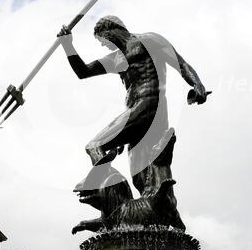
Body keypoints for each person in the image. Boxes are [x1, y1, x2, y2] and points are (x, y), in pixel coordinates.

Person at [57, 16, 208, 175]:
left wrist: (197, 83)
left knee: (95, 146)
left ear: (111, 31)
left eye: (102, 39)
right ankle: (155, 197)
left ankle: (108, 188)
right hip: (135, 114)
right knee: (141, 175)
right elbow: (83, 71)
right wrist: (68, 45)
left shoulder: (149, 40)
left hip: (147, 106)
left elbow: (180, 63)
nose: (102, 44)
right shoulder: (115, 58)